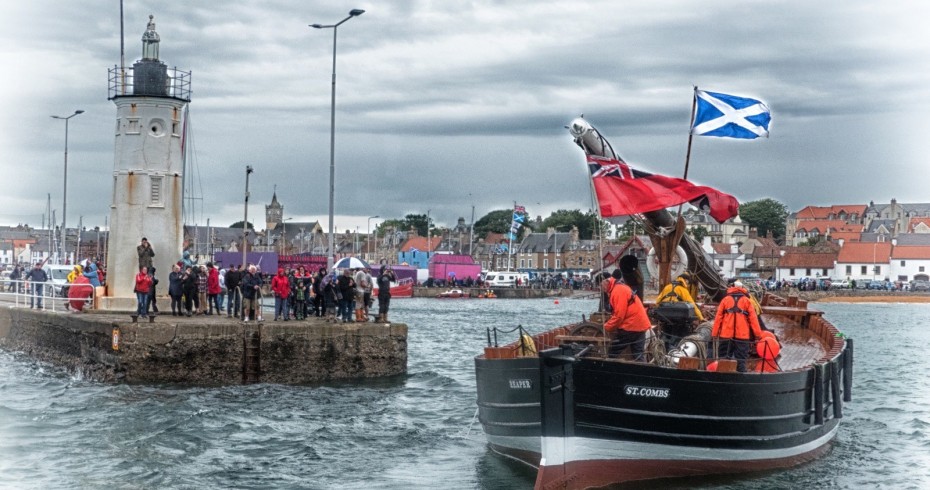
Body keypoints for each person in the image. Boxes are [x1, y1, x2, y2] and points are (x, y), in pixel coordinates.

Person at [711, 280, 765, 372]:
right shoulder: (747, 301)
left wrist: (714, 334)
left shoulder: (725, 300)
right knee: (741, 360)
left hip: (726, 335)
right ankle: (741, 377)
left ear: (732, 287)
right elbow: (753, 320)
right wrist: (758, 335)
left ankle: (722, 378)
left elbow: (718, 319)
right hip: (742, 336)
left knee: (723, 358)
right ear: (742, 288)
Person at [603, 269, 652, 361]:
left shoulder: (617, 291)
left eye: (601, 285)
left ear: (606, 282)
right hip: (641, 325)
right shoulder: (621, 287)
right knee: (638, 355)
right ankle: (642, 372)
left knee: (612, 352)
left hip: (631, 326)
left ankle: (608, 371)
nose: (601, 289)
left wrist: (606, 327)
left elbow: (619, 316)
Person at [654, 272, 704, 349]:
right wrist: (701, 318)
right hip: (679, 321)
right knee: (679, 338)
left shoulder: (667, 287)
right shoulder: (683, 290)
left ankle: (665, 350)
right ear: (686, 281)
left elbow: (657, 301)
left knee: (666, 337)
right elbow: (693, 305)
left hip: (665, 319)